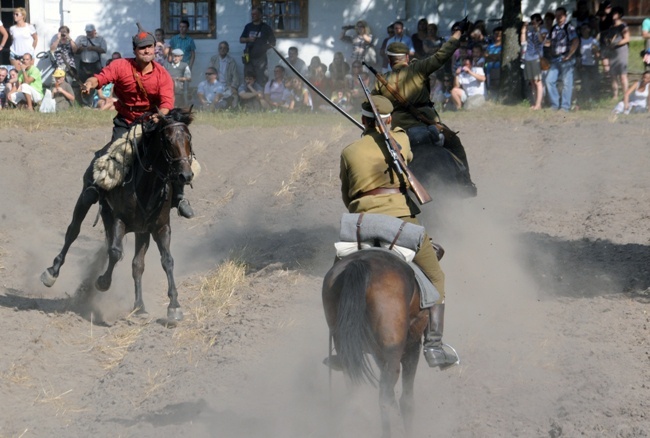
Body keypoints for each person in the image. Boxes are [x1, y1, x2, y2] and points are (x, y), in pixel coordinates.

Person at [339, 95, 458, 370]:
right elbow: (404, 147)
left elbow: (347, 196)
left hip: (360, 224)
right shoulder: (400, 141)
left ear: (363, 121)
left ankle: (340, 344)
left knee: (339, 278)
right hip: (402, 224)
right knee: (436, 276)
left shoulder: (349, 151)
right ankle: (434, 345)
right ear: (389, 121)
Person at [80, 26, 194, 219]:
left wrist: (161, 115)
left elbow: (166, 102)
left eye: (150, 47)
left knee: (175, 152)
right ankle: (99, 191)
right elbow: (101, 78)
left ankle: (179, 197)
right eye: (142, 48)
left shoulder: (162, 74)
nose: (147, 51)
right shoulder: (120, 66)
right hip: (125, 121)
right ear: (135, 50)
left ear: (155, 48)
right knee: (112, 155)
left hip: (153, 122)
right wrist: (89, 83)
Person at [371, 26, 474, 189]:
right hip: (427, 124)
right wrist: (457, 35)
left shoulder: (380, 81)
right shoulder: (418, 68)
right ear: (406, 57)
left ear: (389, 60)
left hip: (400, 131)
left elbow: (371, 108)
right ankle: (466, 182)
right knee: (455, 142)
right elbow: (442, 55)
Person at [546, 7, 579, 112]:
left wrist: (569, 55)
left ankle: (565, 107)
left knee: (566, 83)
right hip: (555, 59)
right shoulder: (553, 29)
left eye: (560, 15)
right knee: (549, 80)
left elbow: (576, 41)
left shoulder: (569, 27)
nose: (558, 17)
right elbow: (550, 43)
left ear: (565, 16)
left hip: (566, 58)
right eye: (557, 15)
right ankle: (555, 105)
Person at [240, 7, 276, 86]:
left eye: (255, 14)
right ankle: (248, 96)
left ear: (260, 15)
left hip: (261, 59)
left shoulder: (266, 27)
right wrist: (248, 39)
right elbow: (241, 39)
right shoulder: (248, 26)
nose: (253, 16)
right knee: (248, 78)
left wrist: (264, 47)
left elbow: (273, 42)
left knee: (261, 79)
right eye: (252, 14)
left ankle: (260, 96)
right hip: (248, 57)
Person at [75, 24, 107, 107]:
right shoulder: (81, 39)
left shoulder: (100, 39)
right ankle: (85, 102)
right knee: (83, 82)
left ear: (94, 31)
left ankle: (94, 100)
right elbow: (75, 51)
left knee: (95, 82)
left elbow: (104, 50)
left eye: (90, 32)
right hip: (84, 63)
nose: (88, 33)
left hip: (95, 63)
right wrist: (80, 49)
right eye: (87, 32)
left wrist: (94, 48)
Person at [603, 6, 629, 100]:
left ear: (620, 15)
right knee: (613, 74)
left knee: (622, 75)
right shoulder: (611, 27)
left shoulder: (623, 26)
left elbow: (627, 39)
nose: (613, 15)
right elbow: (609, 39)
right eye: (613, 13)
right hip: (612, 52)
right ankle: (615, 95)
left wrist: (616, 44)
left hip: (621, 51)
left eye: (615, 13)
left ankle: (626, 95)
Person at [521, 14, 546, 110]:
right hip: (528, 57)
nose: (533, 24)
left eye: (534, 22)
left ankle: (539, 104)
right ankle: (535, 102)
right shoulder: (529, 31)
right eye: (532, 22)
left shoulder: (543, 30)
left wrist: (537, 30)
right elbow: (523, 42)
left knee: (538, 81)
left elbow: (541, 40)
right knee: (532, 82)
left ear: (539, 21)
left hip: (536, 57)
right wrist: (524, 29)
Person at [209, 41, 240, 109]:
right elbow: (210, 73)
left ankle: (234, 110)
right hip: (216, 84)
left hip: (227, 85)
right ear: (218, 49)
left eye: (224, 48)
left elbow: (235, 76)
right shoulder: (213, 59)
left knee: (235, 95)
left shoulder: (231, 61)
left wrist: (234, 87)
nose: (222, 50)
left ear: (227, 50)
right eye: (220, 48)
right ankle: (213, 107)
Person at [578, 23, 600, 106]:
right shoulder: (580, 41)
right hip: (583, 64)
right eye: (582, 29)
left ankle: (594, 98)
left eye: (586, 29)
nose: (584, 31)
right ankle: (585, 99)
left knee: (594, 82)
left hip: (592, 64)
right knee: (585, 83)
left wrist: (595, 51)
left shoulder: (593, 40)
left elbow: (598, 55)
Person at [485, 27, 502, 95]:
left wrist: (490, 56)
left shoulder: (503, 45)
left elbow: (499, 56)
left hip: (498, 67)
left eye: (499, 34)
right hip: (489, 67)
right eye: (495, 34)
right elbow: (485, 55)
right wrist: (495, 56)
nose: (497, 35)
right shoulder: (490, 46)